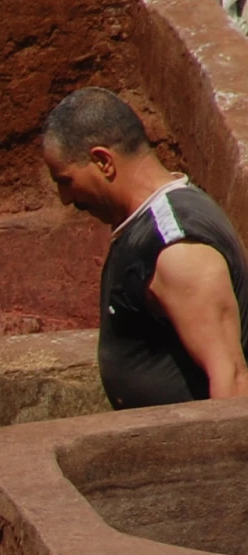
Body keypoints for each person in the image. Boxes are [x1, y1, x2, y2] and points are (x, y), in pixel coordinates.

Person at [43, 87, 248, 408]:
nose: (66, 199)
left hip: (193, 455)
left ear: (102, 161)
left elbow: (233, 379)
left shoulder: (177, 248)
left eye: (66, 181)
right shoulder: (148, 227)